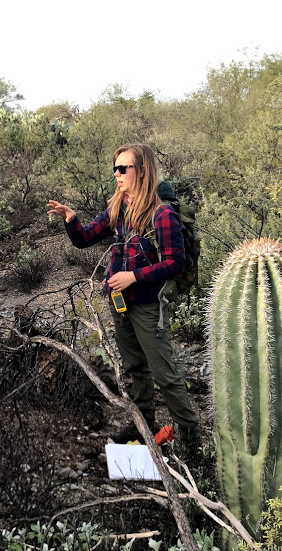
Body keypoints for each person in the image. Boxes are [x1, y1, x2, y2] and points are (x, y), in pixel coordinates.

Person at [47, 143, 202, 452]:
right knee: (134, 366)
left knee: (164, 373)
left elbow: (176, 262)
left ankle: (190, 436)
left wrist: (134, 276)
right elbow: (85, 238)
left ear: (141, 171)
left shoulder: (161, 213)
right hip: (120, 302)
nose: (116, 174)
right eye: (114, 168)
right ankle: (143, 421)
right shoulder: (118, 206)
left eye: (123, 168)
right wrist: (71, 219)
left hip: (147, 303)